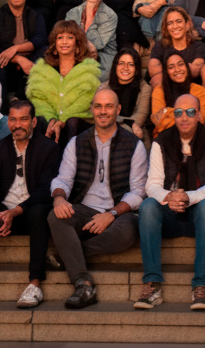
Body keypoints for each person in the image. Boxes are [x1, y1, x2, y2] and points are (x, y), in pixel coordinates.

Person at [49, 86, 146, 309]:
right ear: (92, 109)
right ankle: (83, 283)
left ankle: (68, 254)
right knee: (56, 216)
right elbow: (63, 179)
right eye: (98, 106)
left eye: (109, 106)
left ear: (118, 109)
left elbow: (138, 192)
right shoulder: (76, 142)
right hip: (85, 209)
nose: (103, 111)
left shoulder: (134, 145)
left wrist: (111, 214)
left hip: (119, 213)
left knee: (127, 231)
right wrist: (59, 198)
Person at [0, 97, 61, 310]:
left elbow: (45, 190)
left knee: (41, 212)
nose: (17, 125)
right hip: (4, 211)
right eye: (13, 120)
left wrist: (16, 211)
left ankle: (35, 283)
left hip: (29, 211)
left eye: (23, 119)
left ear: (33, 122)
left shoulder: (48, 149)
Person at [135, 91, 205, 311]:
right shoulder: (161, 142)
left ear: (200, 115)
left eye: (190, 112)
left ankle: (201, 286)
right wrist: (169, 197)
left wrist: (188, 197)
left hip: (198, 216)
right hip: (169, 214)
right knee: (147, 206)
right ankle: (152, 284)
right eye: (179, 112)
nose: (184, 117)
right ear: (173, 115)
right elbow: (152, 184)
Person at [27, 21, 102, 145]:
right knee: (41, 121)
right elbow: (39, 101)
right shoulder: (42, 70)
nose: (64, 41)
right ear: (54, 44)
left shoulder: (88, 71)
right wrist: (52, 120)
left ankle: (70, 162)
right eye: (60, 37)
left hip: (78, 124)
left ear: (77, 44)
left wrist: (62, 122)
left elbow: (83, 104)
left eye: (70, 37)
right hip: (50, 123)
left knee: (72, 122)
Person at [65, 0, 118, 81]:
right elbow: (68, 39)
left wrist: (89, 12)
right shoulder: (72, 13)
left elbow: (97, 44)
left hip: (102, 57)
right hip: (76, 52)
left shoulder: (110, 15)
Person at [151, 48, 205, 135]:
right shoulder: (159, 90)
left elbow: (200, 121)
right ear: (166, 72)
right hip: (166, 139)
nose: (177, 69)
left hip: (193, 139)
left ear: (187, 67)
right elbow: (158, 120)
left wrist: (167, 112)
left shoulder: (202, 92)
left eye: (180, 64)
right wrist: (189, 114)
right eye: (171, 67)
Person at [147, 5, 205, 90]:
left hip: (188, 88)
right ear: (166, 27)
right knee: (157, 79)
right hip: (167, 88)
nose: (175, 26)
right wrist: (181, 69)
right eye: (170, 23)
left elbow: (196, 69)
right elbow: (153, 70)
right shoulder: (160, 45)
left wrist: (167, 70)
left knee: (159, 78)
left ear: (187, 25)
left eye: (178, 21)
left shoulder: (198, 45)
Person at [109, 47, 152, 143]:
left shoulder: (145, 88)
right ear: (115, 66)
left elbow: (140, 116)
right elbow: (103, 115)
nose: (125, 68)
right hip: (108, 130)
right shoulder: (104, 88)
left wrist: (118, 122)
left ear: (137, 69)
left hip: (135, 134)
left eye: (131, 64)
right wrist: (127, 122)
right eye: (121, 63)